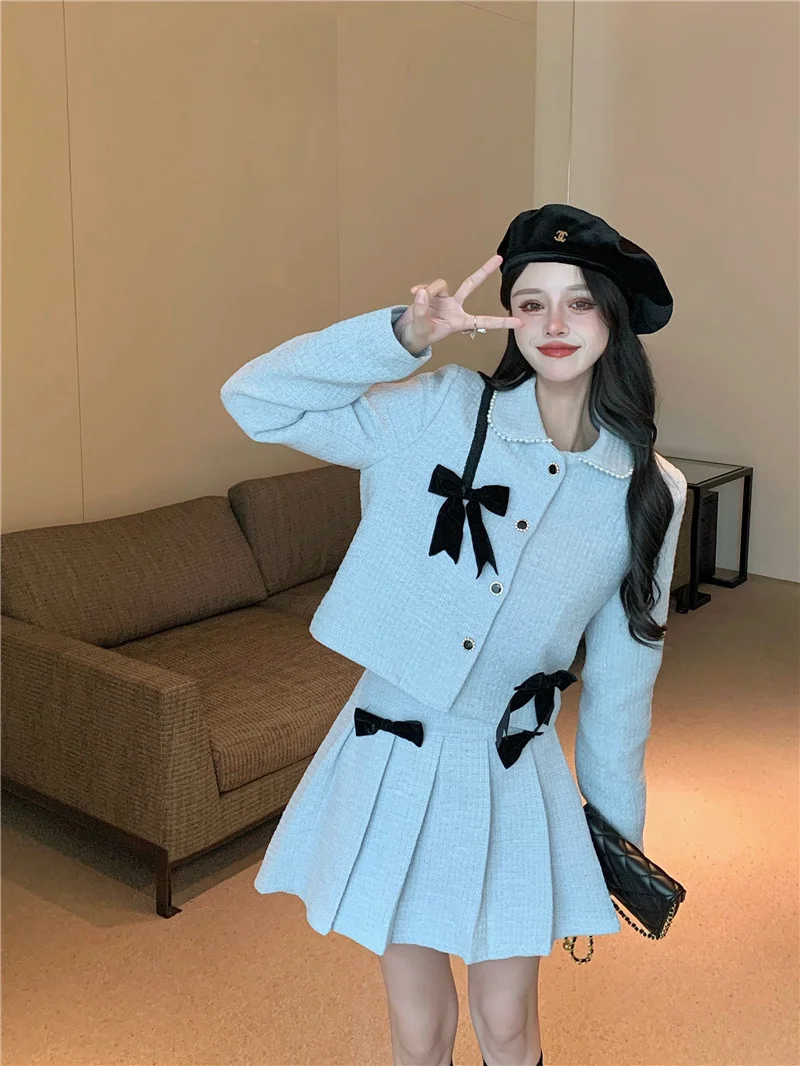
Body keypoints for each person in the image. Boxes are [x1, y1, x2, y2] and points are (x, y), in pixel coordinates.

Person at [219, 204, 688, 1066]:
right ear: (508, 316)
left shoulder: (648, 487)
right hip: (390, 752)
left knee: (507, 1021)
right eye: (532, 302)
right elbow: (256, 400)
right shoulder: (441, 408)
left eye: (580, 302)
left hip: (510, 765)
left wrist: (613, 843)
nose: (554, 323)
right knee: (419, 1024)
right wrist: (402, 336)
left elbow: (625, 684)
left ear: (614, 319)